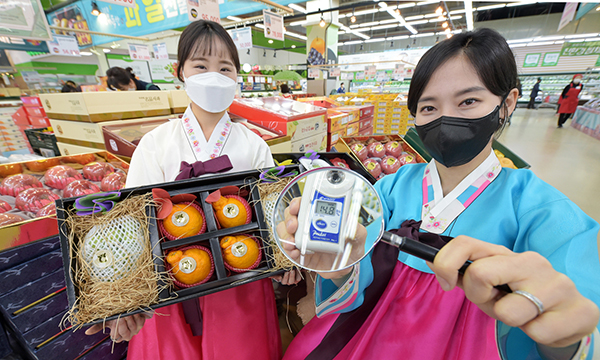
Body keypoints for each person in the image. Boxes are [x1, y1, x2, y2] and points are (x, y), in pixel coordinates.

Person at [278, 28, 600, 360]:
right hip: (368, 333)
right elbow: (352, 278)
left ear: (507, 103)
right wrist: (341, 266)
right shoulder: (391, 187)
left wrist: (566, 336)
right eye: (429, 108)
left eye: (469, 101)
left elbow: (577, 318)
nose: (447, 118)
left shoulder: (544, 212)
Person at [86, 20, 299, 360]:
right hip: (170, 287)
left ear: (236, 76)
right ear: (180, 71)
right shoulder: (156, 144)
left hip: (241, 282)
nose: (213, 75)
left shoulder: (254, 145)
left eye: (224, 68)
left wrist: (286, 256)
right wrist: (124, 300)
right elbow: (131, 225)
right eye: (201, 65)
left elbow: (274, 212)